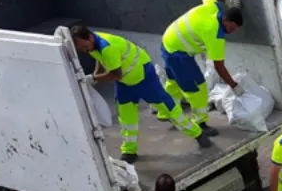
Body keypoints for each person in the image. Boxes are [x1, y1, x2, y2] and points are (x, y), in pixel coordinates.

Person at [71, 25, 210, 163]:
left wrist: (94, 78)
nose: (83, 50)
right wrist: (97, 73)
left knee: (169, 110)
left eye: (83, 46)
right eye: (80, 48)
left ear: (89, 37)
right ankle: (129, 150)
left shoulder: (107, 47)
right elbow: (100, 59)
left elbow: (115, 75)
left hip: (144, 77)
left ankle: (198, 133)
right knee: (126, 118)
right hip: (126, 83)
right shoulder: (92, 44)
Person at [159, 0, 245, 135]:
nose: (232, 32)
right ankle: (200, 123)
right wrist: (234, 85)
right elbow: (219, 67)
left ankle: (165, 112)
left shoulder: (214, 6)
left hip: (167, 41)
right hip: (178, 54)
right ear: (225, 20)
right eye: (231, 28)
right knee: (197, 89)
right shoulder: (215, 34)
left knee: (174, 81)